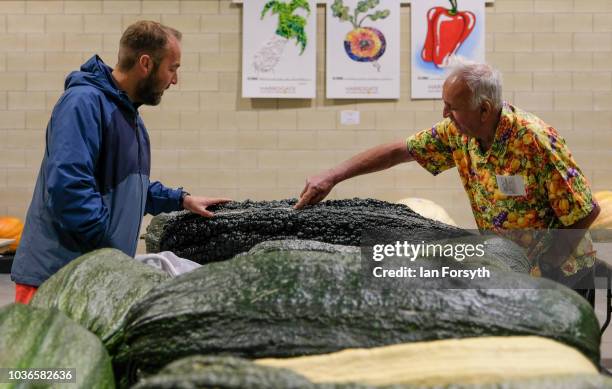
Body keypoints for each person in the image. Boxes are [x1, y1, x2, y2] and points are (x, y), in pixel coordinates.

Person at [295, 59, 600, 300]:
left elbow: (586, 210)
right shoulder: (457, 132)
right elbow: (398, 152)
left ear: (484, 110)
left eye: (452, 107)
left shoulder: (534, 139)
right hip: (511, 268)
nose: (444, 113)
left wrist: (548, 264)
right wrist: (334, 175)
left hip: (562, 274)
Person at [11, 21, 230, 304]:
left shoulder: (128, 115)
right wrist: (108, 248)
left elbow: (126, 186)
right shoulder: (83, 102)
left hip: (92, 277)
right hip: (56, 280)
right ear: (145, 63)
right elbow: (69, 188)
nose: (174, 80)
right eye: (173, 68)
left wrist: (181, 200)